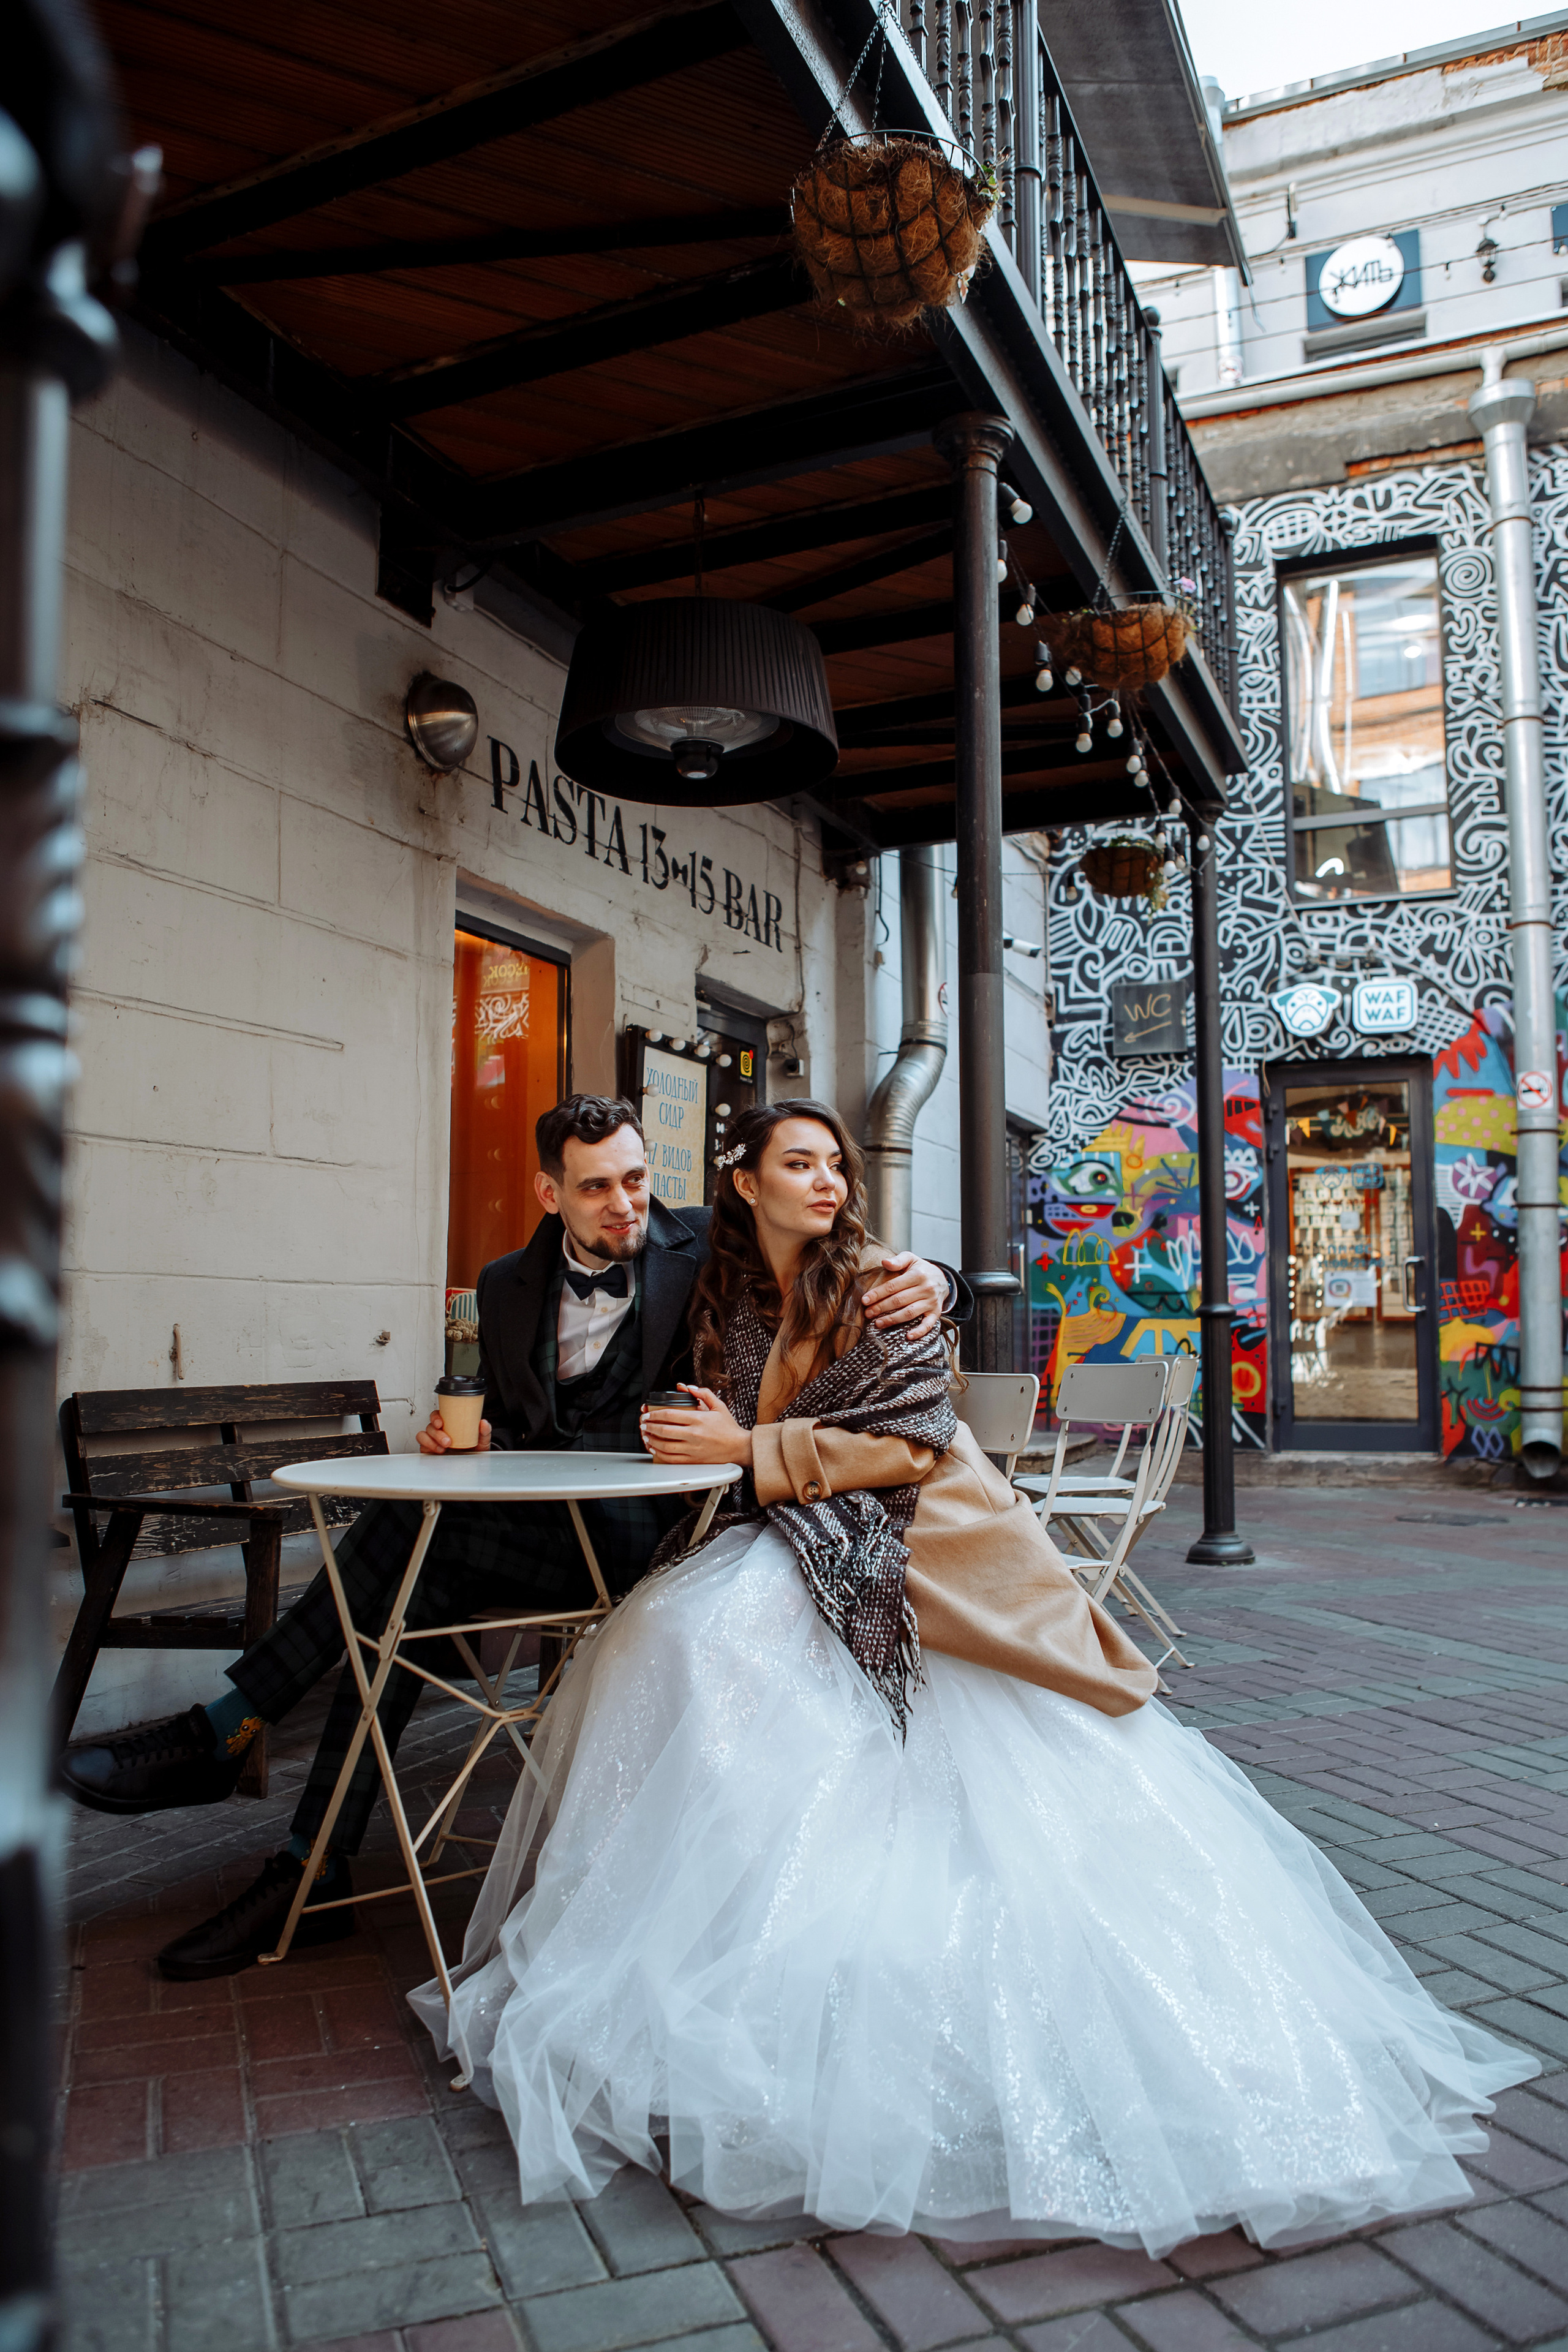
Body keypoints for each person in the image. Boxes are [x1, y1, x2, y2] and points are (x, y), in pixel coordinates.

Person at [412, 1098, 1536, 2258]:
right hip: (786, 1531)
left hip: (915, 1542)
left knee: (739, 1660)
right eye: (800, 1164)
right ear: (742, 1182)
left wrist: (802, 1404)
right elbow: (668, 1325)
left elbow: (908, 1445)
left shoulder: (881, 1284)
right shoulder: (711, 1277)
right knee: (673, 1646)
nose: (831, 1182)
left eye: (838, 1163)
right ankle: (671, 1921)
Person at [61, 1093, 961, 1980]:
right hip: (536, 1531)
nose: (626, 1205)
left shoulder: (707, 1254)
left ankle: (228, 1727)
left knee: (414, 1537)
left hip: (664, 1535)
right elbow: (498, 1418)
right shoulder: (502, 1287)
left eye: (639, 1180)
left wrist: (942, 1280)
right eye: (598, 1187)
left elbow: (833, 1253)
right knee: (397, 1589)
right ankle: (307, 1860)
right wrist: (472, 1439)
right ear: (549, 1193)